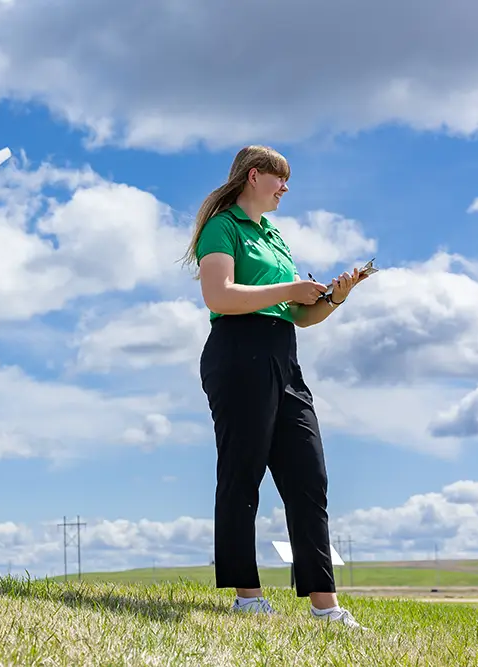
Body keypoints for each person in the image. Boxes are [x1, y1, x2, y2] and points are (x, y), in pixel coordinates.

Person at [181, 145, 366, 628]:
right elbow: (219, 295)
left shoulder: (276, 236)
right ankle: (248, 597)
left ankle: (325, 607)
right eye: (280, 179)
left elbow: (301, 318)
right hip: (238, 354)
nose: (286, 189)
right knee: (242, 474)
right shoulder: (222, 227)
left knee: (309, 476)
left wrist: (333, 299)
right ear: (254, 176)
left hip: (285, 358)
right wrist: (288, 290)